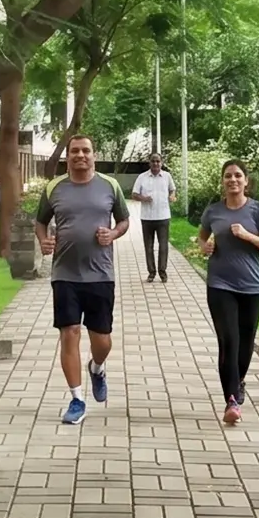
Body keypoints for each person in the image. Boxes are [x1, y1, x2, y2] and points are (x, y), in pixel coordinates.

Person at [35, 133, 129, 426]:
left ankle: (97, 367)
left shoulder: (110, 186)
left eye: (85, 150)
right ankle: (77, 399)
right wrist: (43, 241)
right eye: (74, 151)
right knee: (70, 332)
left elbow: (124, 220)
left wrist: (113, 233)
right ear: (68, 156)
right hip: (65, 274)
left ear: (93, 155)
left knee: (102, 340)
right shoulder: (54, 188)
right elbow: (40, 222)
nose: (80, 155)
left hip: (101, 273)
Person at [195, 159, 259, 425]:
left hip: (253, 287)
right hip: (220, 285)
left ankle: (238, 381)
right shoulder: (213, 211)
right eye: (228, 176)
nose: (233, 180)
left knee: (245, 342)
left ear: (246, 181)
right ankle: (231, 400)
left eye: (238, 175)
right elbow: (201, 237)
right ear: (223, 181)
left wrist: (247, 236)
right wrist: (204, 247)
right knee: (228, 341)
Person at [130, 152, 178, 281]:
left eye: (158, 161)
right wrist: (144, 198)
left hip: (163, 216)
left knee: (163, 246)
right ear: (149, 163)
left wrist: (172, 195)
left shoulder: (167, 176)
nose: (156, 163)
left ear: (161, 163)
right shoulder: (142, 177)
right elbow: (134, 194)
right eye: (153, 161)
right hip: (147, 217)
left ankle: (163, 272)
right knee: (149, 247)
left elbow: (172, 189)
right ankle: (151, 273)